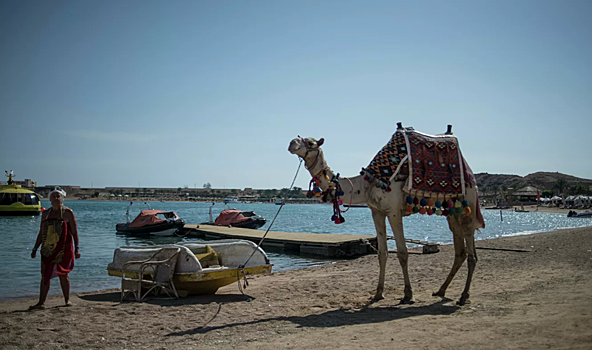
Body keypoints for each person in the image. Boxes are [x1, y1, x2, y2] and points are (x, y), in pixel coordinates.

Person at [29, 187, 80, 310]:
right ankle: (41, 302)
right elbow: (42, 233)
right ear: (49, 199)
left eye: (58, 196)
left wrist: (77, 247)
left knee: (63, 274)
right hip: (47, 249)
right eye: (53, 196)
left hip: (63, 249)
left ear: (62, 198)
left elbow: (74, 231)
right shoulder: (46, 213)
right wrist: (35, 248)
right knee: (45, 275)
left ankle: (67, 300)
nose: (56, 198)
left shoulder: (68, 213)